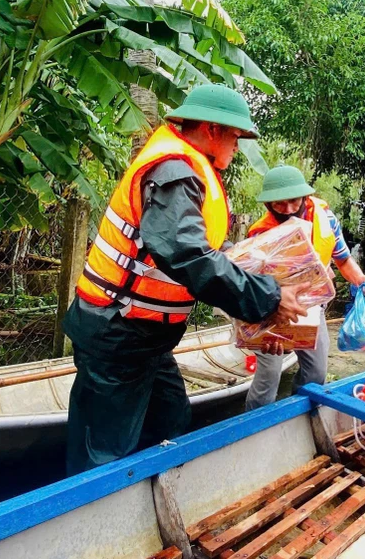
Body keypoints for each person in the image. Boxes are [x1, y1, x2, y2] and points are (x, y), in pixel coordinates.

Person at [63, 85, 307, 475]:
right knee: (103, 456)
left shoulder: (186, 166)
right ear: (212, 129)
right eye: (235, 136)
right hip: (118, 333)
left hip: (145, 338)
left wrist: (247, 262)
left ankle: (149, 503)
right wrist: (267, 297)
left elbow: (198, 244)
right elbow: (185, 253)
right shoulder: (173, 170)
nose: (238, 145)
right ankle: (90, 523)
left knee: (171, 422)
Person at [244, 165, 365, 411]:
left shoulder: (326, 217)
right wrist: (269, 328)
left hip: (312, 307)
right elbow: (252, 288)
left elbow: (343, 259)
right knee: (269, 376)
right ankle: (252, 428)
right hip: (273, 310)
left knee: (316, 372)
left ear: (305, 196)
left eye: (293, 201)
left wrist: (362, 282)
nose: (289, 209)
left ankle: (299, 417)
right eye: (279, 204)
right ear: (268, 205)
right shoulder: (259, 234)